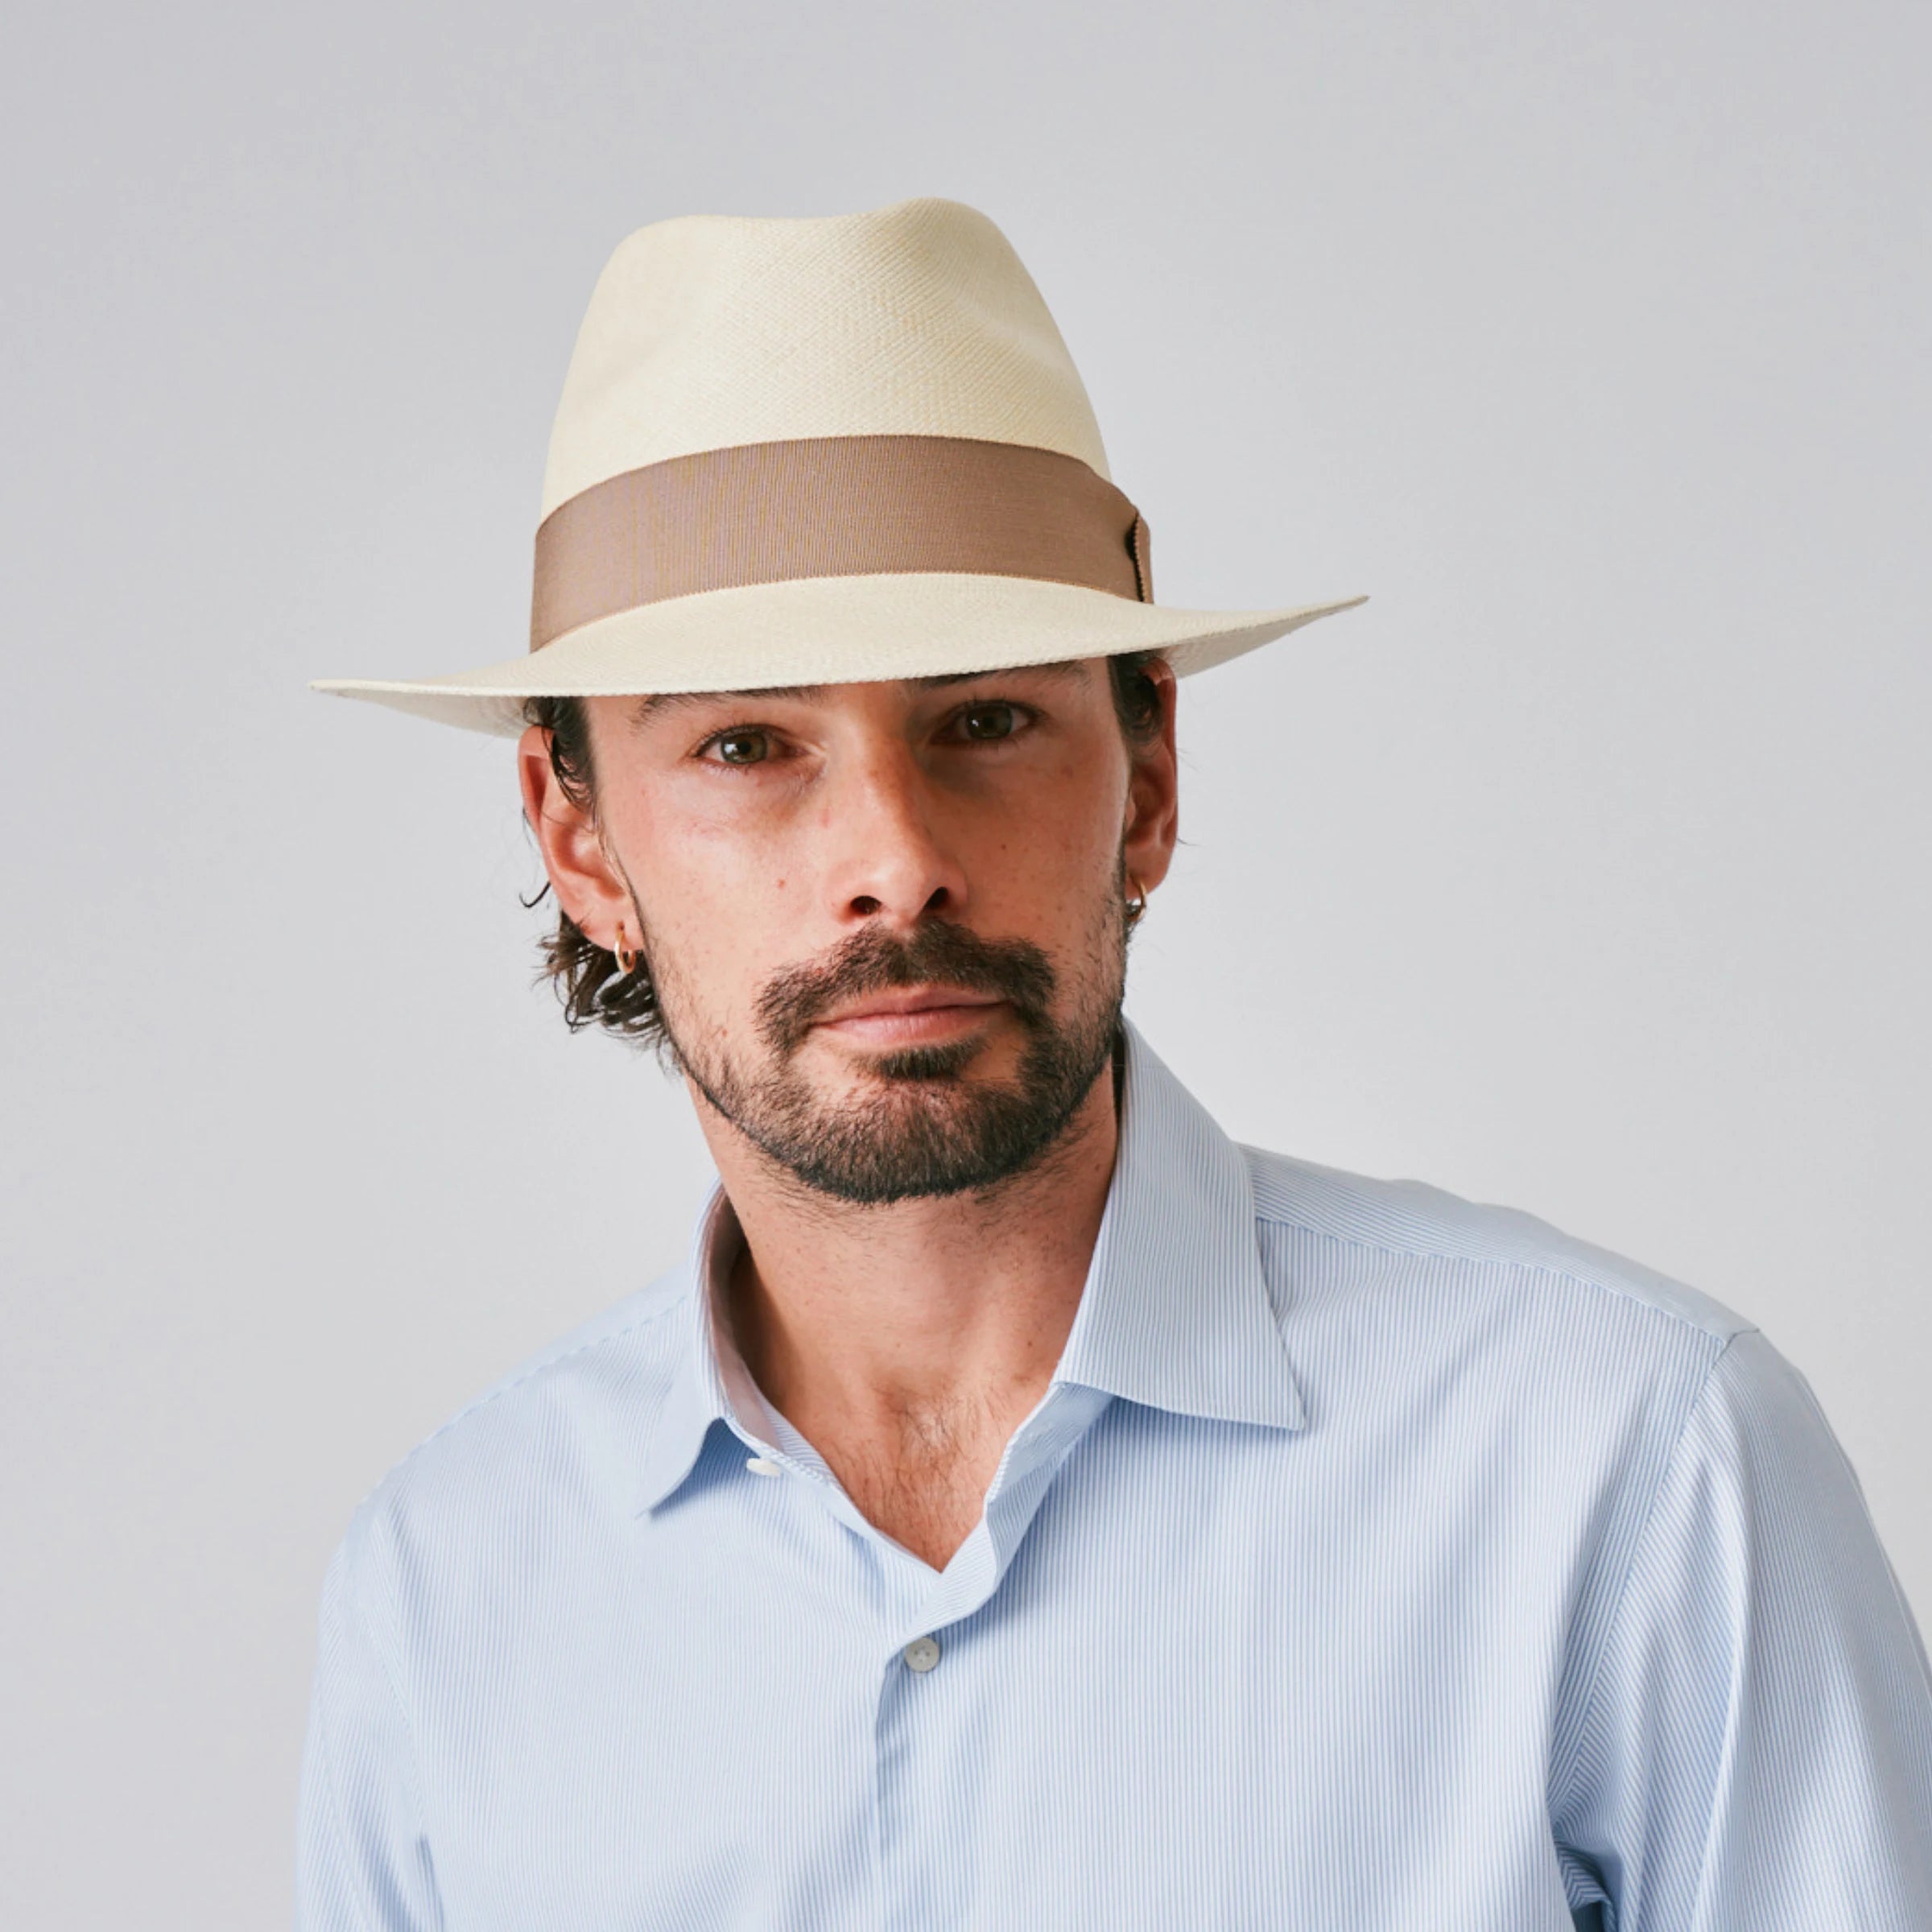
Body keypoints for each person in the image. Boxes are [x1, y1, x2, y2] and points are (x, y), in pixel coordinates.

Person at [300, 197, 1932, 1930]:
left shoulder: (1631, 1467)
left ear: (1147, 779)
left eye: (985, 719)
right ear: (581, 838)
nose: (895, 854)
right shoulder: (447, 1587)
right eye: (749, 744)